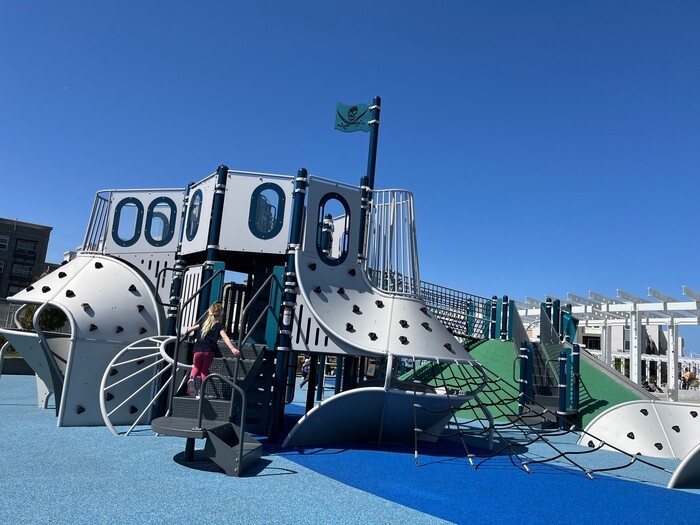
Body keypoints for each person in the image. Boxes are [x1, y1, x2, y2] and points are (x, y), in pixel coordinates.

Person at [183, 302, 240, 398]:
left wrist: (187, 330)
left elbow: (189, 329)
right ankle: (201, 392)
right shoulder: (219, 326)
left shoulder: (203, 324)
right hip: (209, 350)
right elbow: (225, 337)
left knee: (196, 367)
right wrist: (232, 348)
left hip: (198, 349)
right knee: (204, 371)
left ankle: (192, 379)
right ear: (221, 314)